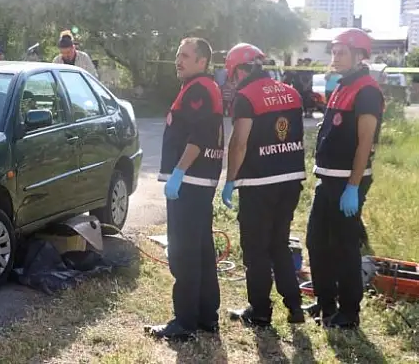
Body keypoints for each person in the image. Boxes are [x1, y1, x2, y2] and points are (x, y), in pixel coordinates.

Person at [144, 37, 224, 342]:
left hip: (190, 182)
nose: (179, 60)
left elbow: (199, 136)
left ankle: (185, 321)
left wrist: (178, 172)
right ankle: (206, 316)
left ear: (202, 61)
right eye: (178, 54)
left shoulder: (199, 89)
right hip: (196, 182)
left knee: (185, 253)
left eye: (186, 56)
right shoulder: (202, 86)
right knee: (201, 250)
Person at [220, 43, 306, 327]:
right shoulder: (291, 92)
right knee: (279, 244)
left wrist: (230, 180)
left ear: (241, 70)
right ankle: (294, 307)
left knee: (255, 248)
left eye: (232, 75)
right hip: (291, 180)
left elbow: (240, 142)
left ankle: (259, 311)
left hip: (258, 182)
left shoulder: (246, 97)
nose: (232, 81)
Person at [305, 28, 384, 329]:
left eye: (341, 52)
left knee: (344, 247)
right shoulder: (342, 85)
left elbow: (365, 142)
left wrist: (352, 187)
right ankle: (326, 303)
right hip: (327, 179)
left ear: (359, 55)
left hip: (347, 183)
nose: (334, 57)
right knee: (316, 241)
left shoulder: (366, 91)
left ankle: (348, 313)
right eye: (334, 52)